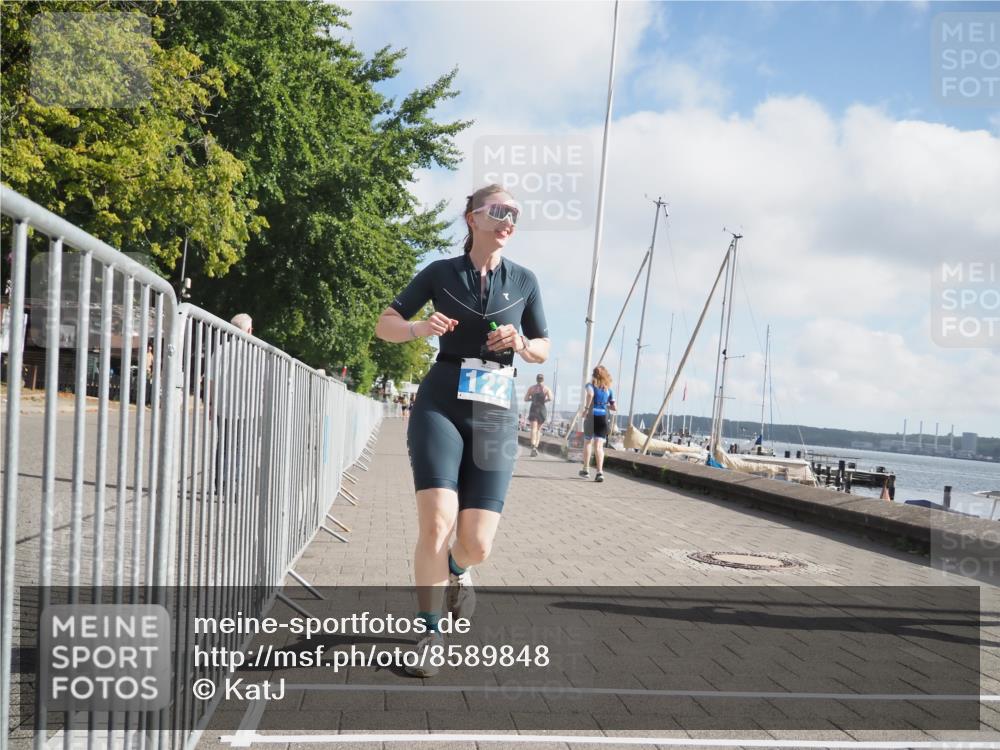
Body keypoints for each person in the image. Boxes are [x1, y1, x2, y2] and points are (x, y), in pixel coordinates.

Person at [374, 183, 549, 677]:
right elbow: (385, 323)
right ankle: (430, 634)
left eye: (514, 213)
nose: (506, 219)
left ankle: (457, 571)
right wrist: (418, 328)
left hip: (495, 407)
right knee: (435, 524)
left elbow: (544, 347)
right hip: (441, 402)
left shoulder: (525, 280)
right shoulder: (440, 273)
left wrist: (523, 343)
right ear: (472, 217)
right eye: (497, 210)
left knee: (476, 543)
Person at [580, 365, 615, 482]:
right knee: (599, 446)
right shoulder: (609, 390)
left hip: (591, 416)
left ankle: (586, 469)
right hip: (603, 417)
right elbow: (614, 407)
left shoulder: (590, 385)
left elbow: (590, 394)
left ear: (593, 375)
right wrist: (605, 404)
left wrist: (586, 409)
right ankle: (600, 472)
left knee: (588, 442)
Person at [524, 374, 552, 457]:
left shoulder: (531, 388)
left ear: (536, 379)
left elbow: (525, 399)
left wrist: (532, 399)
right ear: (543, 379)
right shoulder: (546, 389)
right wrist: (543, 401)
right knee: (538, 430)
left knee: (533, 429)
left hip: (534, 408)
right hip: (542, 409)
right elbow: (550, 398)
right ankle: (536, 447)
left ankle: (533, 447)